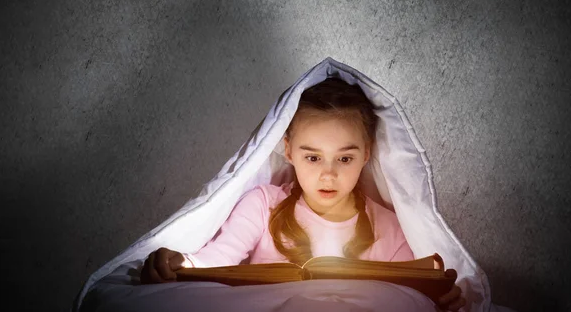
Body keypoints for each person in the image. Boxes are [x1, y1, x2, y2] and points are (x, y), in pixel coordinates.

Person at [140, 78, 466, 311]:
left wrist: (442, 298)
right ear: (288, 151)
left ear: (367, 154)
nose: (328, 174)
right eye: (312, 157)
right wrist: (180, 262)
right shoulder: (262, 205)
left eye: (345, 158)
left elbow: (413, 293)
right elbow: (216, 261)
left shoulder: (391, 230)